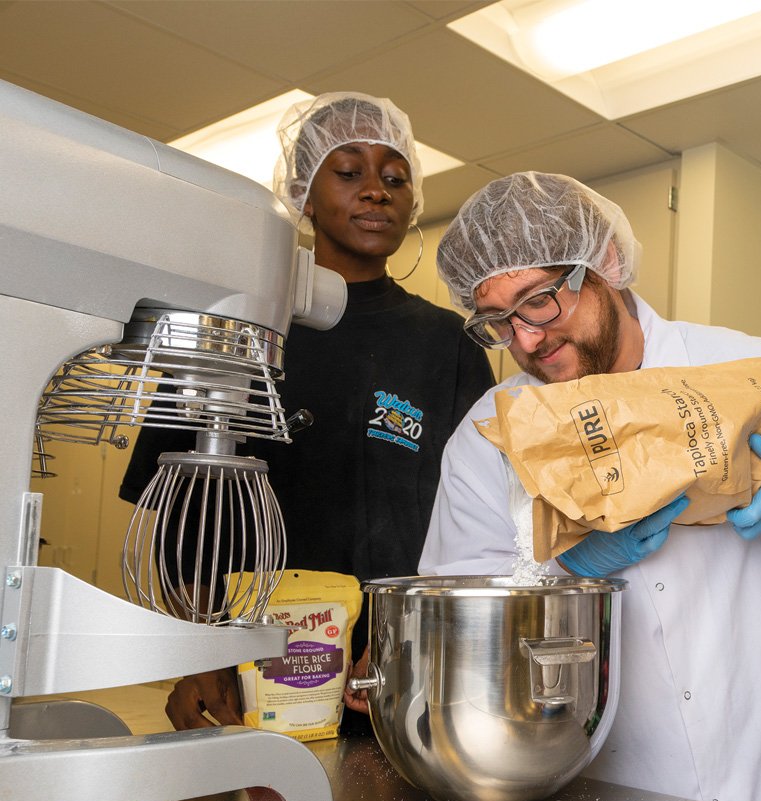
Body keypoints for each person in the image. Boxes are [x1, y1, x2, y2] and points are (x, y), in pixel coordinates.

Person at [418, 171, 761, 801]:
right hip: (618, 799)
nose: (525, 339)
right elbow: (457, 623)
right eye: (497, 320)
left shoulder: (749, 369)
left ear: (602, 263)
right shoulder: (490, 439)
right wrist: (560, 572)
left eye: (539, 301)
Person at [120, 92, 496, 733]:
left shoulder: (449, 345)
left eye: (394, 177)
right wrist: (198, 653)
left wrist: (412, 640)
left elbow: (475, 520)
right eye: (349, 172)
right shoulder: (228, 323)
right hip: (240, 670)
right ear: (302, 192)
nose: (375, 191)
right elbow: (177, 506)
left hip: (385, 675)